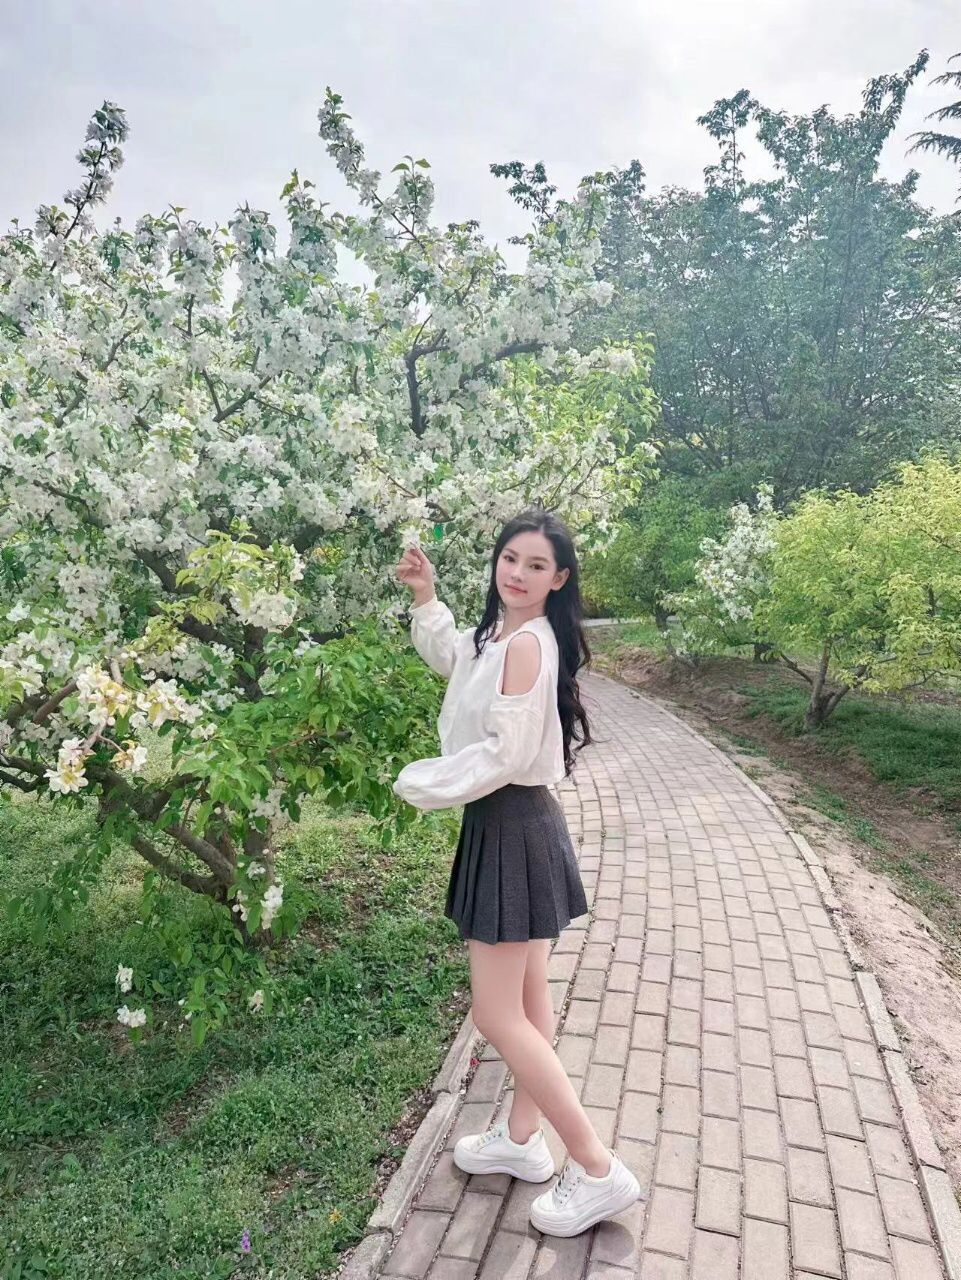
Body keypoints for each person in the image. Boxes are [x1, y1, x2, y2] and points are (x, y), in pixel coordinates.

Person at [392, 506, 641, 1238]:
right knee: (530, 999)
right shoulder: (501, 635)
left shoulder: (529, 645)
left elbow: (503, 754)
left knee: (496, 1014)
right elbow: (457, 661)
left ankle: (596, 1168)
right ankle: (523, 1140)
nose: (518, 574)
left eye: (536, 566)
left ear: (559, 579)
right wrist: (425, 595)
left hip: (510, 824)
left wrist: (422, 781)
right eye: (510, 558)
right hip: (516, 825)